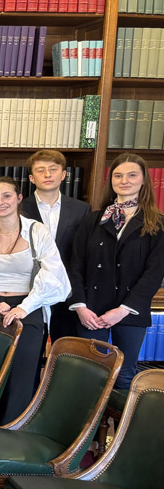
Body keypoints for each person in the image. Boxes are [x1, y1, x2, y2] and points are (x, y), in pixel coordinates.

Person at [0, 176, 70, 425]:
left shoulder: (37, 231)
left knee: (21, 373)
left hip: (28, 305)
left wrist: (24, 307)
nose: (1, 202)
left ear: (19, 198)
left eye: (6, 196)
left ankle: (10, 429)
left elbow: (53, 274)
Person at [69, 153, 164, 392]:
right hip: (91, 311)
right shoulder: (94, 220)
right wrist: (80, 305)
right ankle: (87, 430)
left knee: (125, 376)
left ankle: (119, 430)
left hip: (129, 311)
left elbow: (154, 273)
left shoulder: (157, 223)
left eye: (132, 175)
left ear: (144, 180)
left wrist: (121, 311)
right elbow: (76, 264)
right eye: (118, 175)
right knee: (88, 375)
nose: (124, 180)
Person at [21, 149, 90, 342]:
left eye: (53, 169)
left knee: (65, 351)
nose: (47, 174)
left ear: (64, 175)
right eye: (40, 170)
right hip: (30, 289)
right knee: (31, 350)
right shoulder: (20, 209)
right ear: (32, 178)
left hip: (67, 289)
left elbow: (82, 254)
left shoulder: (81, 209)